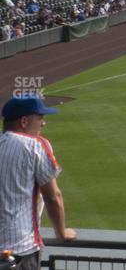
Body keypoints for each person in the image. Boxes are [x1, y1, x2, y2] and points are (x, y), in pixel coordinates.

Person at [0, 97, 76, 270]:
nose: (43, 124)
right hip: (20, 249)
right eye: (40, 118)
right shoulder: (36, 145)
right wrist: (61, 233)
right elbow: (53, 197)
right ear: (24, 121)